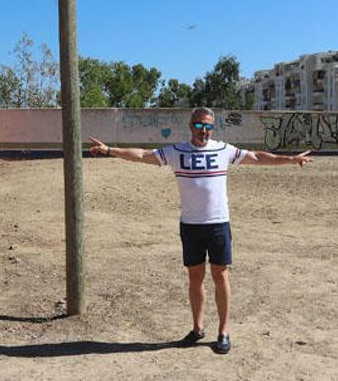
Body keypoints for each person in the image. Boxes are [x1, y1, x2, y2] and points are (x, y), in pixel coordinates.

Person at [88, 107, 313, 354]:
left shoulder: (223, 150)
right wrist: (110, 150)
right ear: (191, 126)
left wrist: (291, 160)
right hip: (191, 225)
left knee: (221, 275)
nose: (203, 131)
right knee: (195, 277)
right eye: (198, 126)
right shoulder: (176, 152)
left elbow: (258, 157)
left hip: (218, 223)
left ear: (212, 128)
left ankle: (223, 332)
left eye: (208, 126)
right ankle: (197, 329)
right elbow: (142, 155)